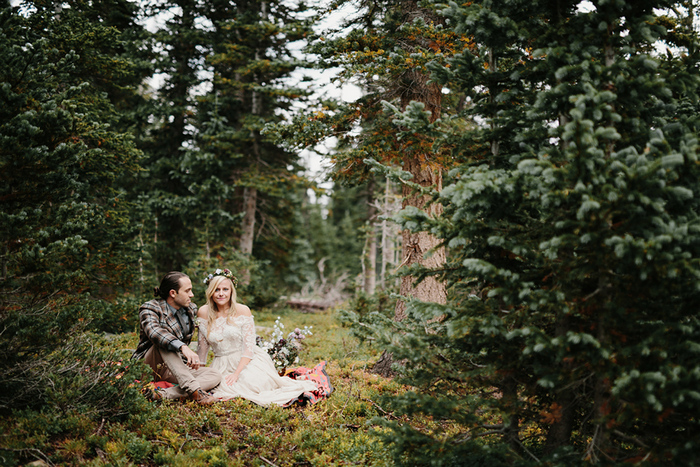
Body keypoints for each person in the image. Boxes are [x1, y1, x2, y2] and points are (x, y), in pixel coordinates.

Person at [197, 269, 332, 406]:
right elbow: (202, 349)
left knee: (251, 385)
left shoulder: (242, 310)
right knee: (221, 387)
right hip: (221, 363)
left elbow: (249, 349)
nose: (221, 294)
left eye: (225, 289)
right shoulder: (203, 312)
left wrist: (236, 374)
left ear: (231, 291)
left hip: (246, 360)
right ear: (210, 292)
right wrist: (199, 373)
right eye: (217, 290)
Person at [132, 271, 222, 404]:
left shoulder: (190, 309)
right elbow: (155, 332)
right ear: (173, 293)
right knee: (164, 342)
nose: (192, 295)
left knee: (214, 375)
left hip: (175, 368)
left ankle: (162, 395)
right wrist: (182, 346)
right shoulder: (150, 307)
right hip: (148, 366)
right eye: (187, 291)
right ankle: (195, 391)